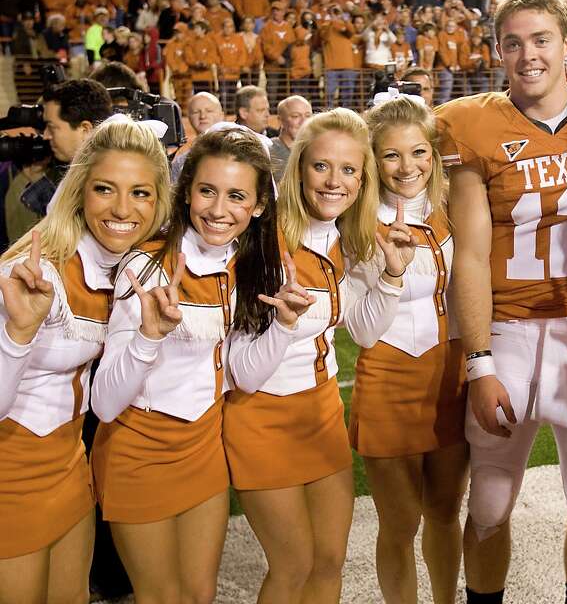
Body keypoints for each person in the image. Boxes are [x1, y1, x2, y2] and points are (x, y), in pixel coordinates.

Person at [436, 0, 567, 604]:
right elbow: (468, 251)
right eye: (513, 43)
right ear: (498, 52)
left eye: (541, 39)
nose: (529, 56)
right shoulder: (470, 124)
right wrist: (479, 358)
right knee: (488, 505)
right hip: (512, 329)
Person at [223, 109, 414, 603]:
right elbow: (241, 372)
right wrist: (284, 325)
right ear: (299, 166)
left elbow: (366, 333)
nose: (335, 182)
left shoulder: (349, 235)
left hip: (321, 409)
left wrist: (392, 276)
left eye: (350, 169)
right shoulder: (260, 237)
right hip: (260, 415)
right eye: (322, 166)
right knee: (292, 565)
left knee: (329, 561)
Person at [89, 127, 283, 603]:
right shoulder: (147, 267)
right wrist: (148, 337)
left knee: (199, 594)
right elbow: (105, 403)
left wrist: (285, 328)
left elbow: (244, 375)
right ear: (187, 192)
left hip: (202, 445)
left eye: (237, 196)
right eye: (207, 191)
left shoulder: (247, 262)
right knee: (161, 597)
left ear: (258, 206)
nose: (218, 211)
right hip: (139, 450)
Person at [0, 115, 171, 603]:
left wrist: (146, 338)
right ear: (79, 192)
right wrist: (18, 332)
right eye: (105, 189)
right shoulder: (33, 273)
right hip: (9, 473)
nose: (123, 208)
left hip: (70, 465)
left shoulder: (123, 269)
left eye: (141, 192)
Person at [351, 94, 468, 604]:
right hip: (386, 378)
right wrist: (393, 274)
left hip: (449, 373)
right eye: (392, 155)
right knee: (399, 524)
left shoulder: (453, 209)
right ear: (374, 160)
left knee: (445, 513)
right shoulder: (354, 222)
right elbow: (362, 332)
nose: (408, 167)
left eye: (419, 152)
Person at [269, 95, 312, 176]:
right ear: (280, 121)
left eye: (308, 116)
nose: (304, 121)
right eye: (296, 116)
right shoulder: (268, 151)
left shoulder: (316, 150)